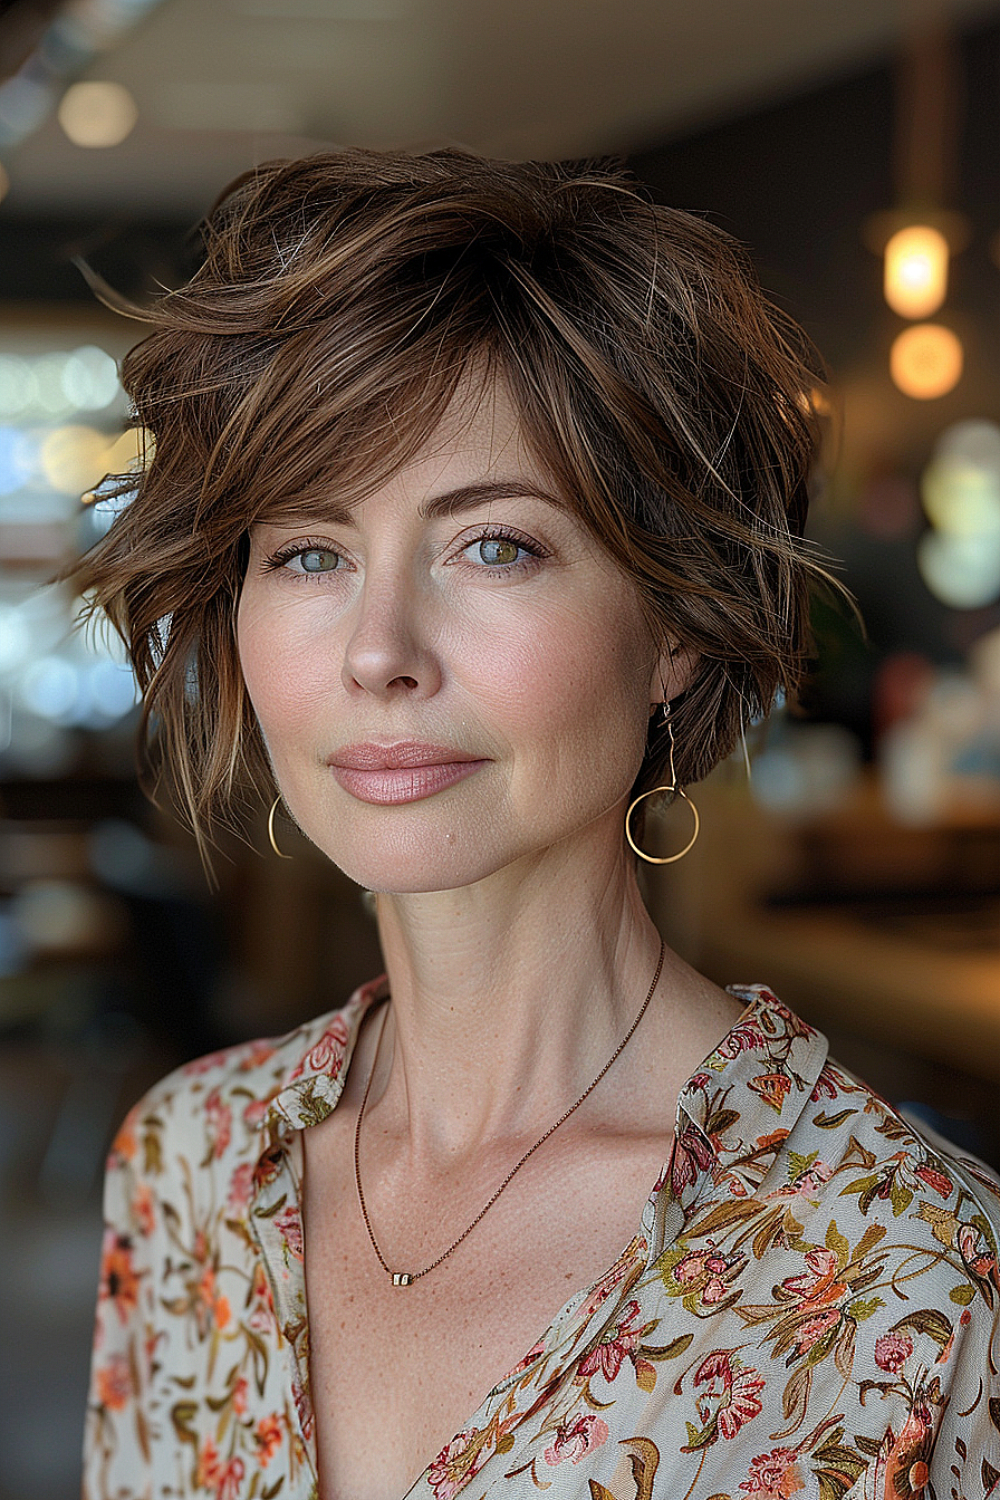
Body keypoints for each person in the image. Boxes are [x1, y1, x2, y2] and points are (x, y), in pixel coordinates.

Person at [78, 149, 999, 1500]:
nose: (379, 652)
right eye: (310, 553)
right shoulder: (186, 1170)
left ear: (676, 623)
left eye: (493, 544)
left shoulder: (913, 1284)